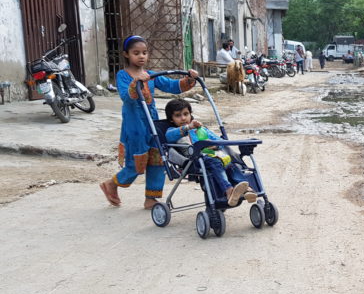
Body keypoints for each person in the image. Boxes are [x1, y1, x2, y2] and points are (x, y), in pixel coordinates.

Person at [99, 35, 199, 209]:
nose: (141, 56)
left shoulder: (151, 75)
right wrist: (135, 82)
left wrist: (189, 78)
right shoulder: (123, 75)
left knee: (157, 159)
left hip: (152, 125)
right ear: (126, 54)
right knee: (136, 164)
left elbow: (172, 86)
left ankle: (151, 199)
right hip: (135, 127)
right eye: (136, 53)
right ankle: (112, 184)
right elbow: (126, 97)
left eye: (144, 53)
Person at [164, 99, 256, 206]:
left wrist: (215, 145)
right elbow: (169, 136)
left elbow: (219, 140)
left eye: (186, 114)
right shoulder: (172, 130)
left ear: (190, 114)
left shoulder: (200, 129)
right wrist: (188, 127)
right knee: (215, 162)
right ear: (171, 119)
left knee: (231, 164)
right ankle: (228, 190)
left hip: (212, 156)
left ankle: (246, 189)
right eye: (178, 115)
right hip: (194, 160)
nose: (183, 118)